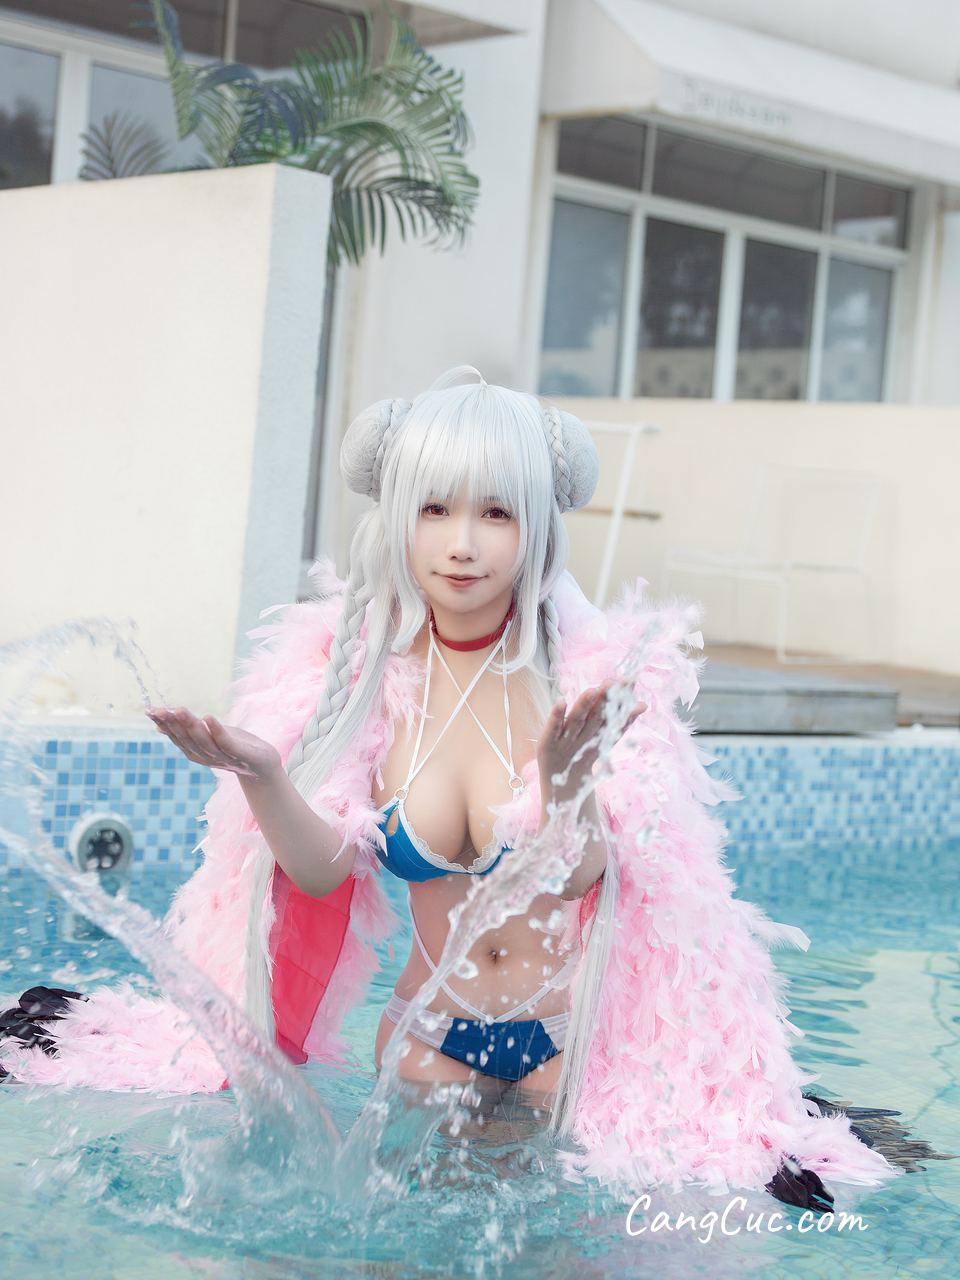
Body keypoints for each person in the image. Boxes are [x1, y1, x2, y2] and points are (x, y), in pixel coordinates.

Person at [1, 370, 892, 1204]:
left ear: (536, 524)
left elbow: (587, 879)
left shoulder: (588, 680)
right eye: (434, 508)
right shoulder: (363, 684)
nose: (462, 544)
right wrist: (264, 775)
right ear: (399, 516)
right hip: (427, 1044)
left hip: (566, 1048)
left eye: (495, 512)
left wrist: (567, 788)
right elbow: (323, 873)